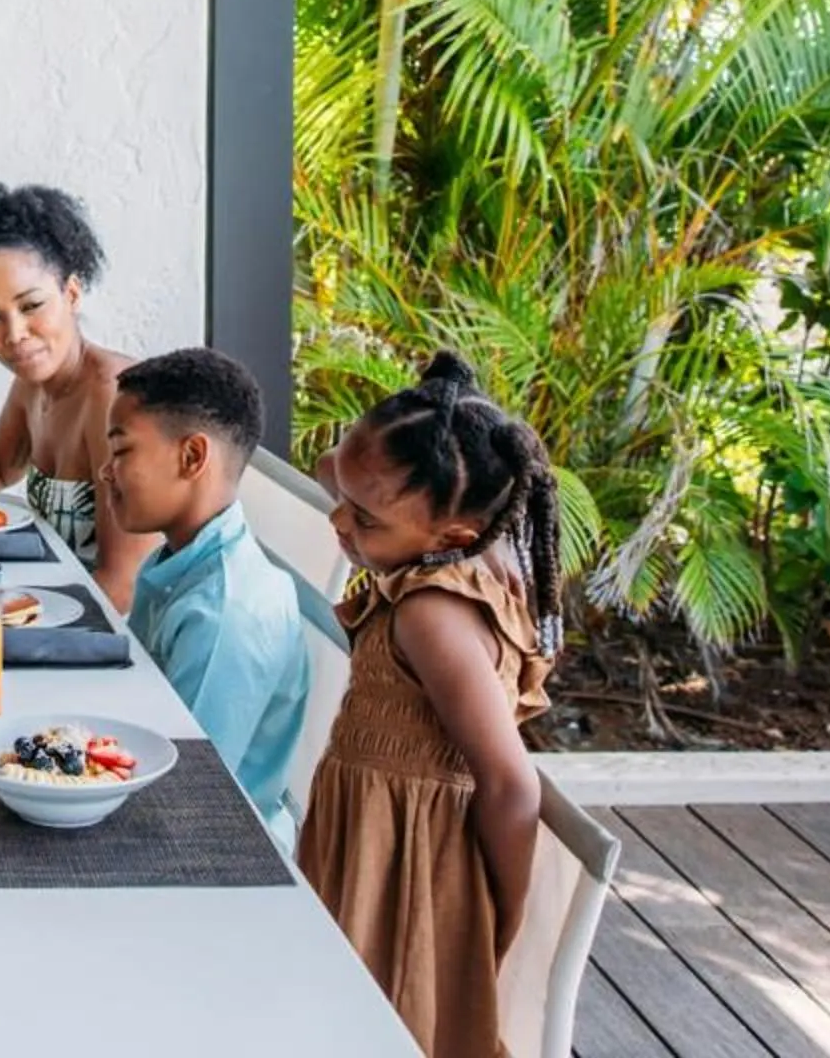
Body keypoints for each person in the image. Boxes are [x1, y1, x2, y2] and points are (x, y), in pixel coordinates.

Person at [299, 352, 560, 1058]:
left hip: (409, 875)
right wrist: (420, 411)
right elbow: (338, 467)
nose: (339, 523)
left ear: (453, 540)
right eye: (345, 500)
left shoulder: (431, 616)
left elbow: (510, 783)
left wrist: (498, 917)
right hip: (373, 842)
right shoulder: (462, 556)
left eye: (366, 518)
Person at [0, 182, 157, 610]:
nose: (15, 335)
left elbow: (123, 584)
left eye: (31, 305)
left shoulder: (114, 397)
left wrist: (1, 621)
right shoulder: (34, 383)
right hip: (58, 610)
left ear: (71, 293)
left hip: (112, 638)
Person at [100, 347, 312, 846]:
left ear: (192, 456)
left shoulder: (222, 614)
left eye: (122, 450)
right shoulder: (179, 558)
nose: (107, 471)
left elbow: (181, 795)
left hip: (215, 852)